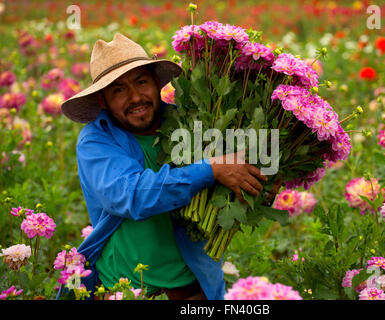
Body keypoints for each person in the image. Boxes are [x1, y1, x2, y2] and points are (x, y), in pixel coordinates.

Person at [61, 33, 268, 300]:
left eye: (141, 82)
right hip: (128, 290)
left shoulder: (188, 122)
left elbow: (235, 173)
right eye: (119, 90)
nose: (135, 97)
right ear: (103, 100)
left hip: (196, 287)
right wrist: (211, 169)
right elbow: (131, 195)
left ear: (157, 82)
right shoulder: (96, 141)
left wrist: (259, 179)